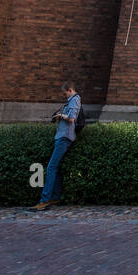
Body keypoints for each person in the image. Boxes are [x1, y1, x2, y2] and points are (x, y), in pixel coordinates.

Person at [33, 80, 81, 210]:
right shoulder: (72, 100)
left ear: (70, 90)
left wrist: (61, 115)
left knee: (51, 167)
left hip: (65, 137)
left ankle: (44, 200)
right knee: (56, 168)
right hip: (62, 136)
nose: (65, 95)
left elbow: (71, 118)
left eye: (65, 93)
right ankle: (55, 197)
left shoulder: (75, 100)